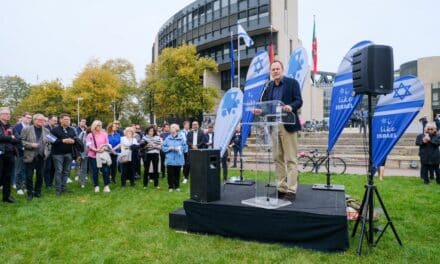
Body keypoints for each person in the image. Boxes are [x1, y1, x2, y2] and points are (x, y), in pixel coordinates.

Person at [257, 60, 303, 202]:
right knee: (277, 158)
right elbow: (266, 106)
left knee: (290, 159)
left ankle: (291, 190)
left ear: (282, 70)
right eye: (273, 69)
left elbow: (299, 100)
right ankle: (281, 188)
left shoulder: (292, 83)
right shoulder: (269, 86)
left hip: (287, 124)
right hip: (273, 125)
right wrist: (260, 111)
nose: (275, 71)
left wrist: (290, 106)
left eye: (277, 69)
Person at [21, 114, 50, 201]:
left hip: (42, 156)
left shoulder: (46, 130)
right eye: (40, 120)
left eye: (43, 120)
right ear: (34, 120)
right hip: (30, 156)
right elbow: (21, 141)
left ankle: (38, 192)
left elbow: (49, 143)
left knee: (40, 176)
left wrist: (47, 153)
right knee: (29, 176)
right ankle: (30, 193)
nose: (42, 121)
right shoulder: (26, 129)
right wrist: (30, 145)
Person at [51, 113, 76, 196]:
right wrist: (62, 141)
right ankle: (58, 190)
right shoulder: (55, 129)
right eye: (66, 119)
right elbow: (51, 140)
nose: (68, 121)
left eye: (69, 119)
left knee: (66, 171)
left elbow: (75, 139)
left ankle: (63, 188)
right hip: (57, 154)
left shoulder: (71, 130)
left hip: (68, 153)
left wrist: (73, 141)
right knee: (59, 171)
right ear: (60, 120)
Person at [0, 107, 20, 203]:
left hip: (10, 154)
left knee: (7, 176)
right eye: (6, 113)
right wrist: (10, 137)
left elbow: (17, 139)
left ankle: (6, 197)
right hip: (1, 154)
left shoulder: (11, 126)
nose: (8, 115)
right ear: (1, 115)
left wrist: (10, 138)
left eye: (9, 114)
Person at [86, 120, 111, 193]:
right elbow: (88, 145)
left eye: (100, 125)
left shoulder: (104, 134)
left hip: (103, 155)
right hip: (93, 156)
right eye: (98, 125)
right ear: (94, 126)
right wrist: (96, 150)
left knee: (105, 171)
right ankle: (96, 186)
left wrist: (104, 148)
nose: (100, 126)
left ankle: (106, 186)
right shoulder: (90, 135)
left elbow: (107, 143)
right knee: (95, 171)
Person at [162, 124, 187, 192]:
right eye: (171, 127)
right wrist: (169, 148)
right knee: (170, 174)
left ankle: (177, 186)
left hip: (178, 159)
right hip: (170, 159)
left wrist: (179, 149)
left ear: (176, 129)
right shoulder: (167, 138)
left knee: (177, 173)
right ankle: (170, 187)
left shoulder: (181, 138)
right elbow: (163, 147)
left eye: (173, 127)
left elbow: (185, 148)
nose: (171, 128)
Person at [12, 112, 32, 196]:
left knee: (28, 170)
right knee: (19, 170)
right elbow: (17, 139)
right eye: (27, 117)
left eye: (30, 118)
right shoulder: (17, 127)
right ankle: (19, 187)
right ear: (23, 118)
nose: (29, 119)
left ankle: (27, 187)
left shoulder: (31, 127)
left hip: (30, 152)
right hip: (20, 151)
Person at [44, 115, 58, 188]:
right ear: (49, 120)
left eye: (56, 121)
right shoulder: (45, 128)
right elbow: (50, 138)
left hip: (55, 150)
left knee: (53, 167)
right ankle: (47, 183)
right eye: (54, 120)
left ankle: (51, 182)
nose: (56, 122)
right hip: (47, 150)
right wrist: (58, 140)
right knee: (47, 167)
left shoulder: (56, 128)